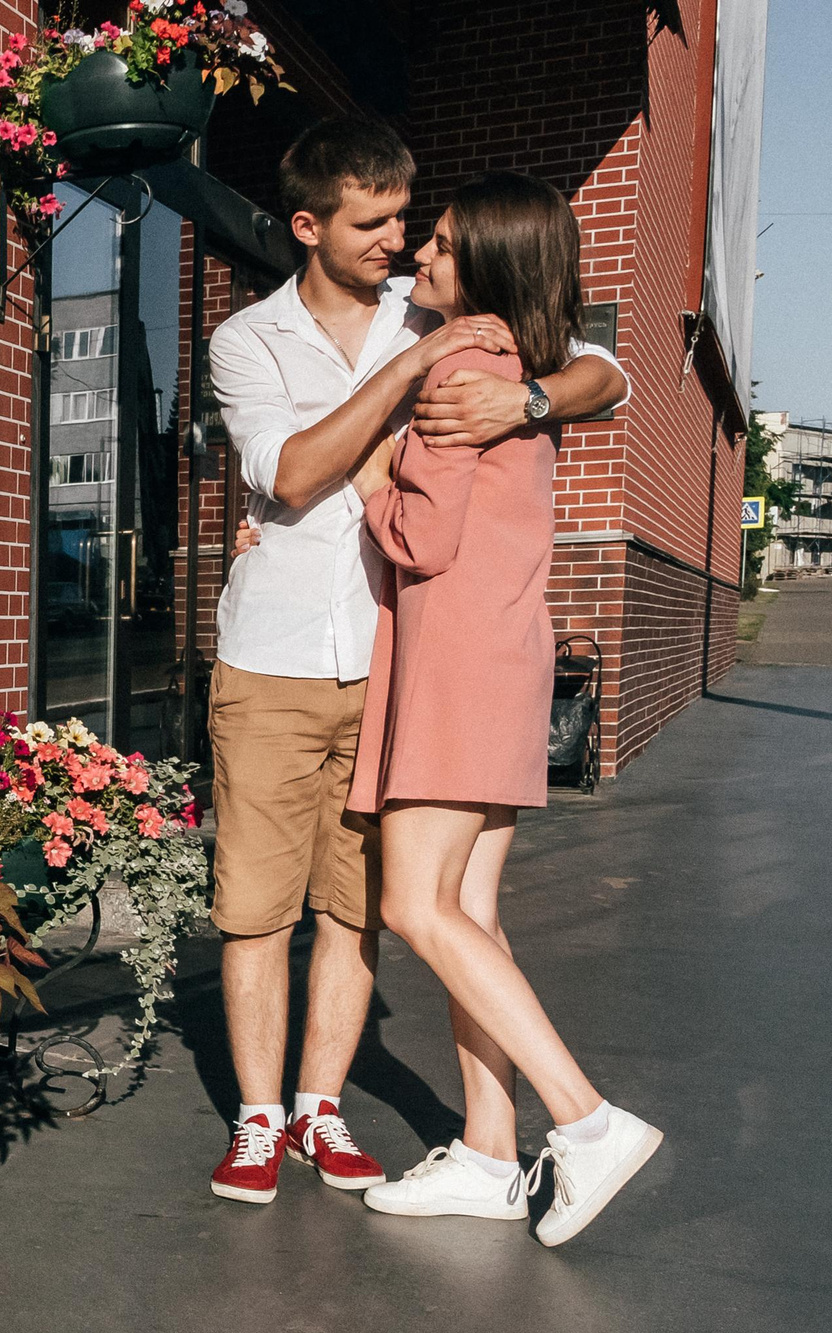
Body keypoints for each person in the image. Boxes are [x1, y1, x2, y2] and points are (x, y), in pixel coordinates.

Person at [201, 115, 628, 1208]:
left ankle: (326, 1110)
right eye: (373, 221)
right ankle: (260, 1121)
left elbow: (604, 372)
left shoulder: (435, 309)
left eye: (408, 218)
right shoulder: (248, 340)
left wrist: (525, 395)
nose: (398, 240)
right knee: (258, 904)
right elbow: (293, 473)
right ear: (308, 227)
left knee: (369, 910)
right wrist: (412, 380)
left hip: (402, 658)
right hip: (280, 656)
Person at [343, 174, 662, 1243]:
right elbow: (601, 377)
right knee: (468, 917)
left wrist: (371, 476)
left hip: (452, 667)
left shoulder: (457, 373)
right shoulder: (522, 367)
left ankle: (584, 1120)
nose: (416, 257)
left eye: (436, 245)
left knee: (412, 909)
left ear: (481, 266)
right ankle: (487, 1153)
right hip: (505, 660)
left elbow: (420, 538)